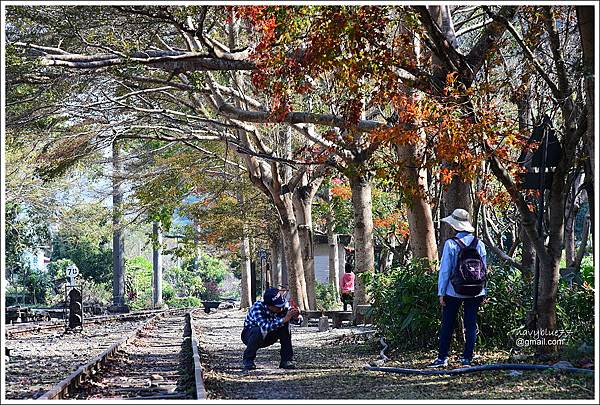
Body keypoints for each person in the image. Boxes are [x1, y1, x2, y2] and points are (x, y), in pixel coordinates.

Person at [428, 208, 487, 368]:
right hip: (475, 291)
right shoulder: (479, 244)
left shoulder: (451, 244)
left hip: (454, 291)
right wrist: (483, 291)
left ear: (455, 225)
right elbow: (484, 270)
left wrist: (441, 292)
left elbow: (445, 270)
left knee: (447, 323)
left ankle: (442, 358)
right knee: (471, 324)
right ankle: (467, 358)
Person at [241, 287, 303, 371]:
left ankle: (287, 360)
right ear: (268, 305)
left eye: (282, 304)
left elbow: (297, 321)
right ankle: (248, 360)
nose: (281, 308)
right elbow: (265, 326)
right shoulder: (257, 307)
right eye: (278, 306)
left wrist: (296, 316)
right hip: (250, 336)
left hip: (270, 336)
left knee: (285, 326)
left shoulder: (283, 306)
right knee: (257, 330)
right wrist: (285, 319)